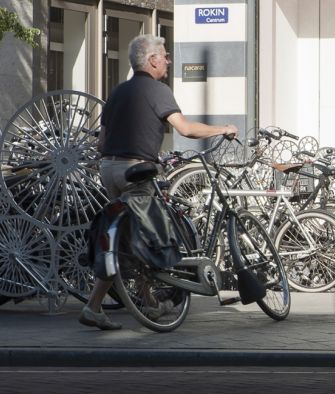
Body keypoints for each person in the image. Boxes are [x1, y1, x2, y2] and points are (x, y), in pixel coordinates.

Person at [79, 34, 238, 330]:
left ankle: (116, 305)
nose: (167, 60)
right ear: (152, 60)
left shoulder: (117, 92)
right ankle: (157, 292)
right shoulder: (158, 90)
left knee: (124, 241)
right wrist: (223, 128)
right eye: (164, 56)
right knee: (155, 236)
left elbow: (101, 142)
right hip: (136, 170)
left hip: (109, 170)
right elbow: (186, 129)